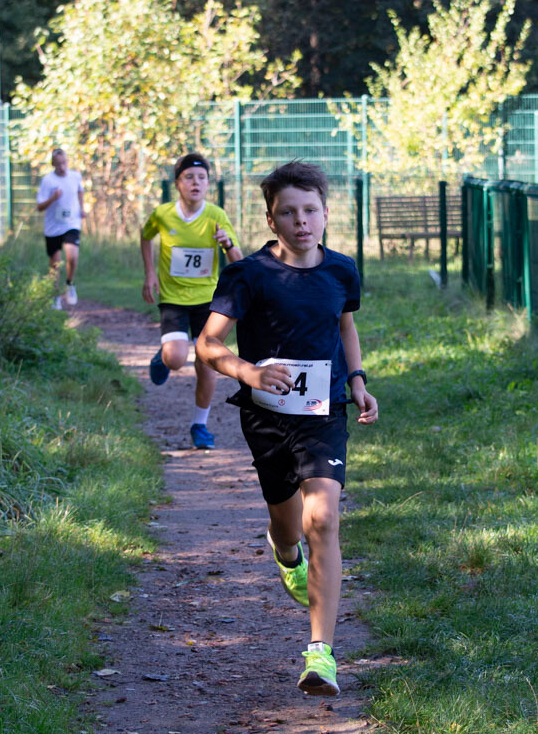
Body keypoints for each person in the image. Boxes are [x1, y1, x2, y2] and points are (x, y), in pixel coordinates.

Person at [196, 160, 379, 697]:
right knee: (288, 525)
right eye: (289, 213)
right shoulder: (248, 274)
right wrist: (249, 371)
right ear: (271, 220)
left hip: (325, 412)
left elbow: (345, 326)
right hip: (266, 418)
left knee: (324, 518)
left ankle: (320, 655)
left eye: (311, 210)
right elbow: (208, 345)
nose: (302, 221)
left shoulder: (342, 270)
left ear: (325, 213)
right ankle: (285, 555)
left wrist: (360, 381)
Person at [140, 153, 243, 450]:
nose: (196, 182)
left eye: (202, 178)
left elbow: (239, 261)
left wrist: (228, 244)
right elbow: (145, 237)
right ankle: (162, 357)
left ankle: (200, 425)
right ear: (178, 184)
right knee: (175, 358)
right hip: (172, 298)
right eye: (189, 177)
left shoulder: (216, 216)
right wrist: (150, 273)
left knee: (206, 363)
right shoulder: (162, 214)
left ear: (208, 184)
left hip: (208, 302)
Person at [36, 148, 84, 309]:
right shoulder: (48, 181)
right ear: (53, 164)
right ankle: (55, 295)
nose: (62, 167)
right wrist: (53, 198)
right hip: (53, 227)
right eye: (58, 164)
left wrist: (82, 209)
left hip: (71, 223)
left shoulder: (75, 176)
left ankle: (70, 284)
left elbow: (80, 191)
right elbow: (39, 207)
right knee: (55, 262)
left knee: (72, 256)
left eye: (64, 163)